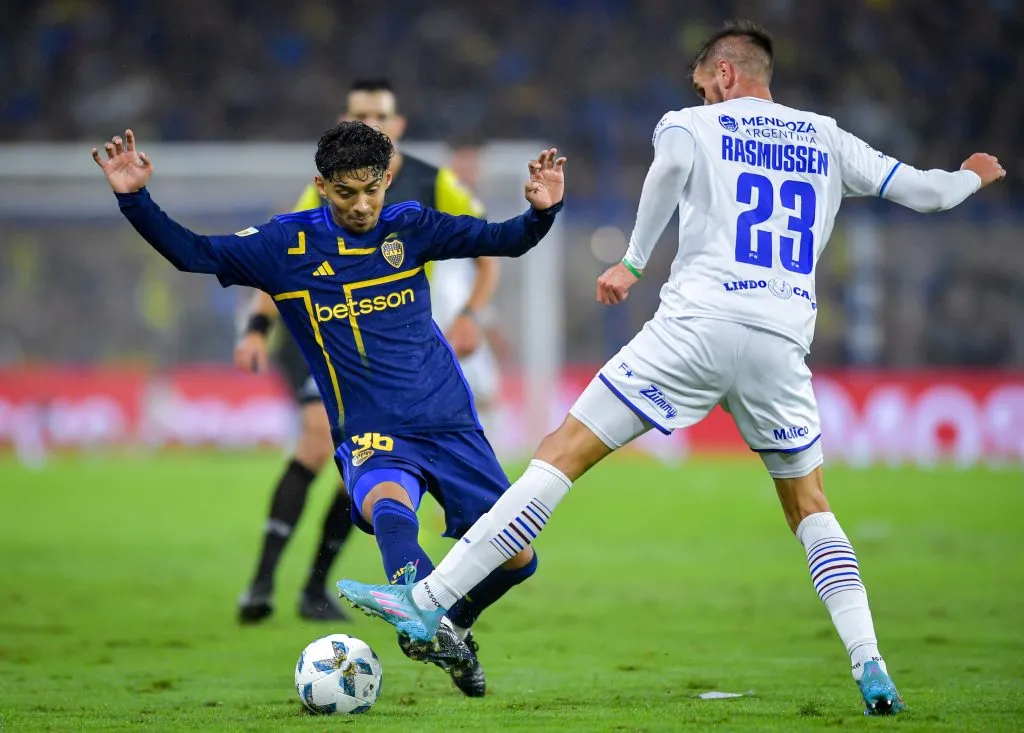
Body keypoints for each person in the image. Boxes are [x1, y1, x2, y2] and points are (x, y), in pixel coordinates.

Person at [336, 20, 1006, 715]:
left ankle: (432, 600)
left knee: (561, 453)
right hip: (781, 339)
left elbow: (670, 172)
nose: (702, 96)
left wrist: (631, 261)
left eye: (702, 85)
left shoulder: (691, 125)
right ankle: (872, 665)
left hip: (696, 327)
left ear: (723, 75)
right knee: (810, 506)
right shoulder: (827, 137)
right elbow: (929, 193)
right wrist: (970, 176)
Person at [92, 122, 566, 697]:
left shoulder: (410, 226)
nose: (362, 205)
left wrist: (541, 212)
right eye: (346, 193)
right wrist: (133, 198)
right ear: (321, 185)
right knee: (387, 500)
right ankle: (416, 599)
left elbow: (506, 239)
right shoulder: (284, 247)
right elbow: (193, 253)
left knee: (520, 559)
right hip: (370, 427)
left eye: (372, 190)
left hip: (449, 421)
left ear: (387, 180)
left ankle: (451, 626)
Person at [232, 80, 499, 625]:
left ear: (398, 125)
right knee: (316, 446)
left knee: (364, 477)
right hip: (330, 341)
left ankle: (313, 587)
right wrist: (258, 324)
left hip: (398, 353)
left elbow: (488, 248)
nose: (372, 121)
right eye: (361, 114)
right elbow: (279, 253)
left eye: (381, 113)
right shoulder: (330, 187)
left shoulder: (433, 182)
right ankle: (262, 582)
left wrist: (471, 313)